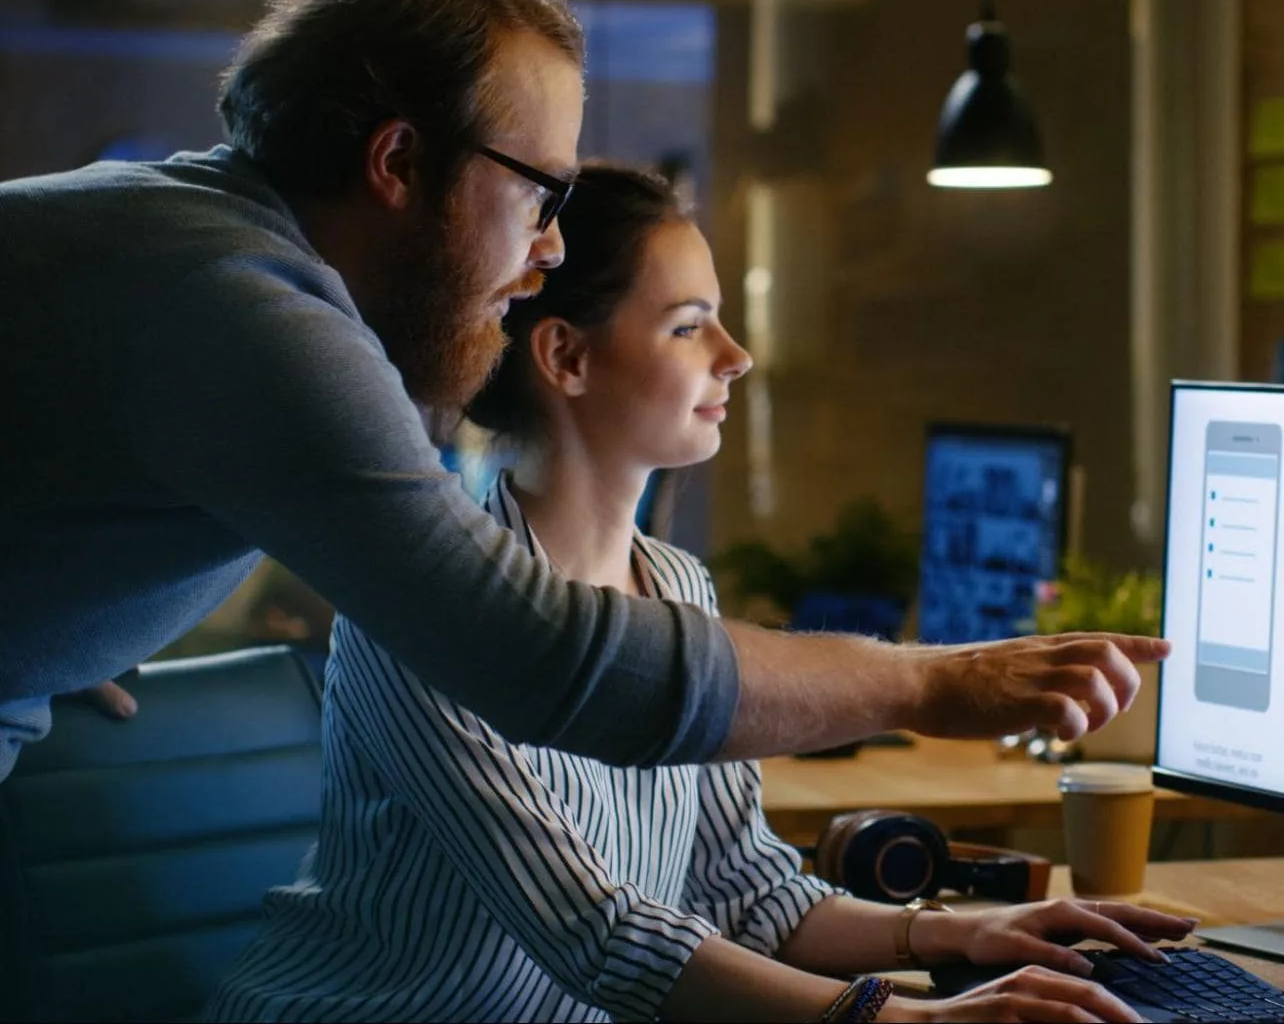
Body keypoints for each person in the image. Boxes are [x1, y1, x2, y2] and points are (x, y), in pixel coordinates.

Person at [0, 0, 1166, 782]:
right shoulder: (247, 310)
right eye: (539, 192)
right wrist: (932, 681)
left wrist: (64, 625)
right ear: (399, 164)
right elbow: (546, 661)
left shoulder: (187, 248)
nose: (549, 248)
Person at [206, 164, 1187, 1023]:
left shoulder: (675, 587)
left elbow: (749, 893)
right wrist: (912, 1023)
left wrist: (965, 935)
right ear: (567, 358)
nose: (736, 355)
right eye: (688, 326)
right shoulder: (422, 616)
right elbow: (597, 932)